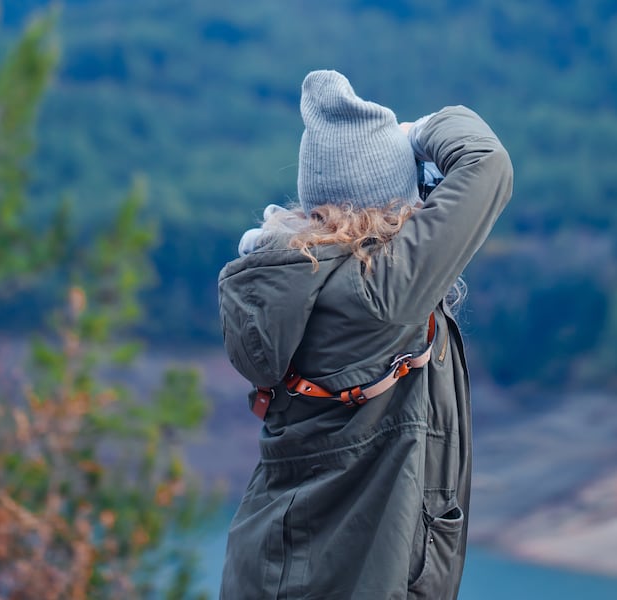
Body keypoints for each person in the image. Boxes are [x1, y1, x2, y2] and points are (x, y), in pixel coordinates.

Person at [217, 69, 513, 599]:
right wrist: (417, 133)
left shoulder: (287, 279)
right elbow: (486, 162)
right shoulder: (383, 293)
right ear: (394, 203)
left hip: (271, 565)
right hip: (361, 579)